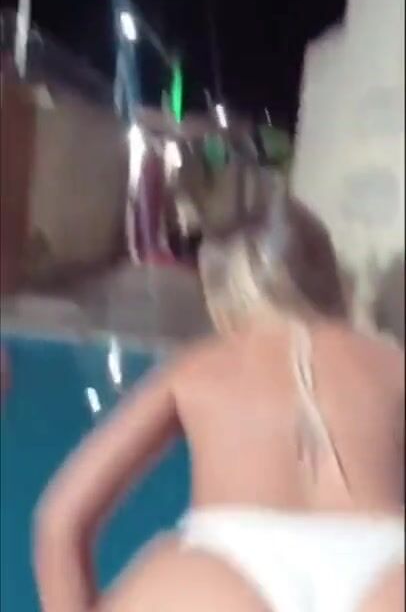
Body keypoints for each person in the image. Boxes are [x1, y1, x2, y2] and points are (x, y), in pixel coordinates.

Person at [33, 191, 404, 612]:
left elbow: (60, 521)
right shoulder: (392, 364)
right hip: (388, 576)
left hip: (218, 582)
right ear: (333, 277)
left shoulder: (196, 369)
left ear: (217, 292)